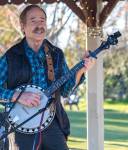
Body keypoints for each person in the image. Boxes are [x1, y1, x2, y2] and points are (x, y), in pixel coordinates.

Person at [0, 5, 95, 150]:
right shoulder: (10, 57)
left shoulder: (56, 54)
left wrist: (82, 70)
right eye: (33, 21)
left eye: (42, 20)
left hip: (51, 122)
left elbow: (65, 91)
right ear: (23, 26)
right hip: (20, 125)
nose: (39, 25)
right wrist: (17, 96)